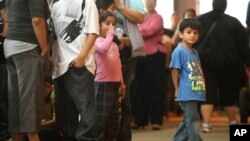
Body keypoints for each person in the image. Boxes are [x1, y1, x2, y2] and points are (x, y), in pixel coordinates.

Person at [193, 0, 250, 133]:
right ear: (225, 6)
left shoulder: (199, 20)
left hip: (204, 63)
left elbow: (191, 41)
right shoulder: (234, 23)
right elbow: (243, 47)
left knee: (207, 92)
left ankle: (206, 124)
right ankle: (232, 121)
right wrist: (248, 63)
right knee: (229, 92)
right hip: (228, 64)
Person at [50, 0, 99, 140]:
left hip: (78, 64)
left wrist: (81, 57)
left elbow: (93, 32)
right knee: (64, 117)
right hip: (58, 66)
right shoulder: (54, 4)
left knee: (86, 113)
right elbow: (52, 34)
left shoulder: (87, 2)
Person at [4, 0, 49, 141]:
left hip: (11, 46)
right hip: (27, 46)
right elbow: (37, 20)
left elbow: (7, 18)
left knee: (16, 102)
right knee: (30, 104)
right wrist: (45, 49)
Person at [90, 11, 126, 140]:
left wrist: (122, 84)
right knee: (101, 119)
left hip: (115, 84)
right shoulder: (96, 40)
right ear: (99, 25)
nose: (111, 27)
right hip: (102, 84)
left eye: (114, 24)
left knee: (114, 118)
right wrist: (111, 34)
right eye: (107, 23)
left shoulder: (115, 45)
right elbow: (104, 49)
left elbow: (118, 66)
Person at [113, 1, 145, 141]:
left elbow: (140, 18)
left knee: (123, 94)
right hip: (102, 47)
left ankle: (123, 136)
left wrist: (120, 6)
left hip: (126, 49)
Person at [170, 18, 205, 141]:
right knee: (193, 120)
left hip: (196, 92)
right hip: (186, 93)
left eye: (195, 33)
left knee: (188, 120)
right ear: (180, 34)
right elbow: (175, 70)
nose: (192, 35)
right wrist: (177, 89)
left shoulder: (195, 52)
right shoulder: (179, 51)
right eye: (189, 32)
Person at [134, 0, 167, 130]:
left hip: (155, 55)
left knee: (156, 88)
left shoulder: (158, 18)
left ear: (155, 3)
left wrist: (136, 29)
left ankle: (156, 120)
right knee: (140, 89)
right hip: (140, 55)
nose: (149, 3)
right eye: (147, 1)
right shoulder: (138, 16)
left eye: (152, 1)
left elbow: (149, 31)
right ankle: (140, 121)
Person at [0, 0, 10, 140]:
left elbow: (7, 29)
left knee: (2, 97)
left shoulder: (5, 5)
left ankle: (3, 132)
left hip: (2, 59)